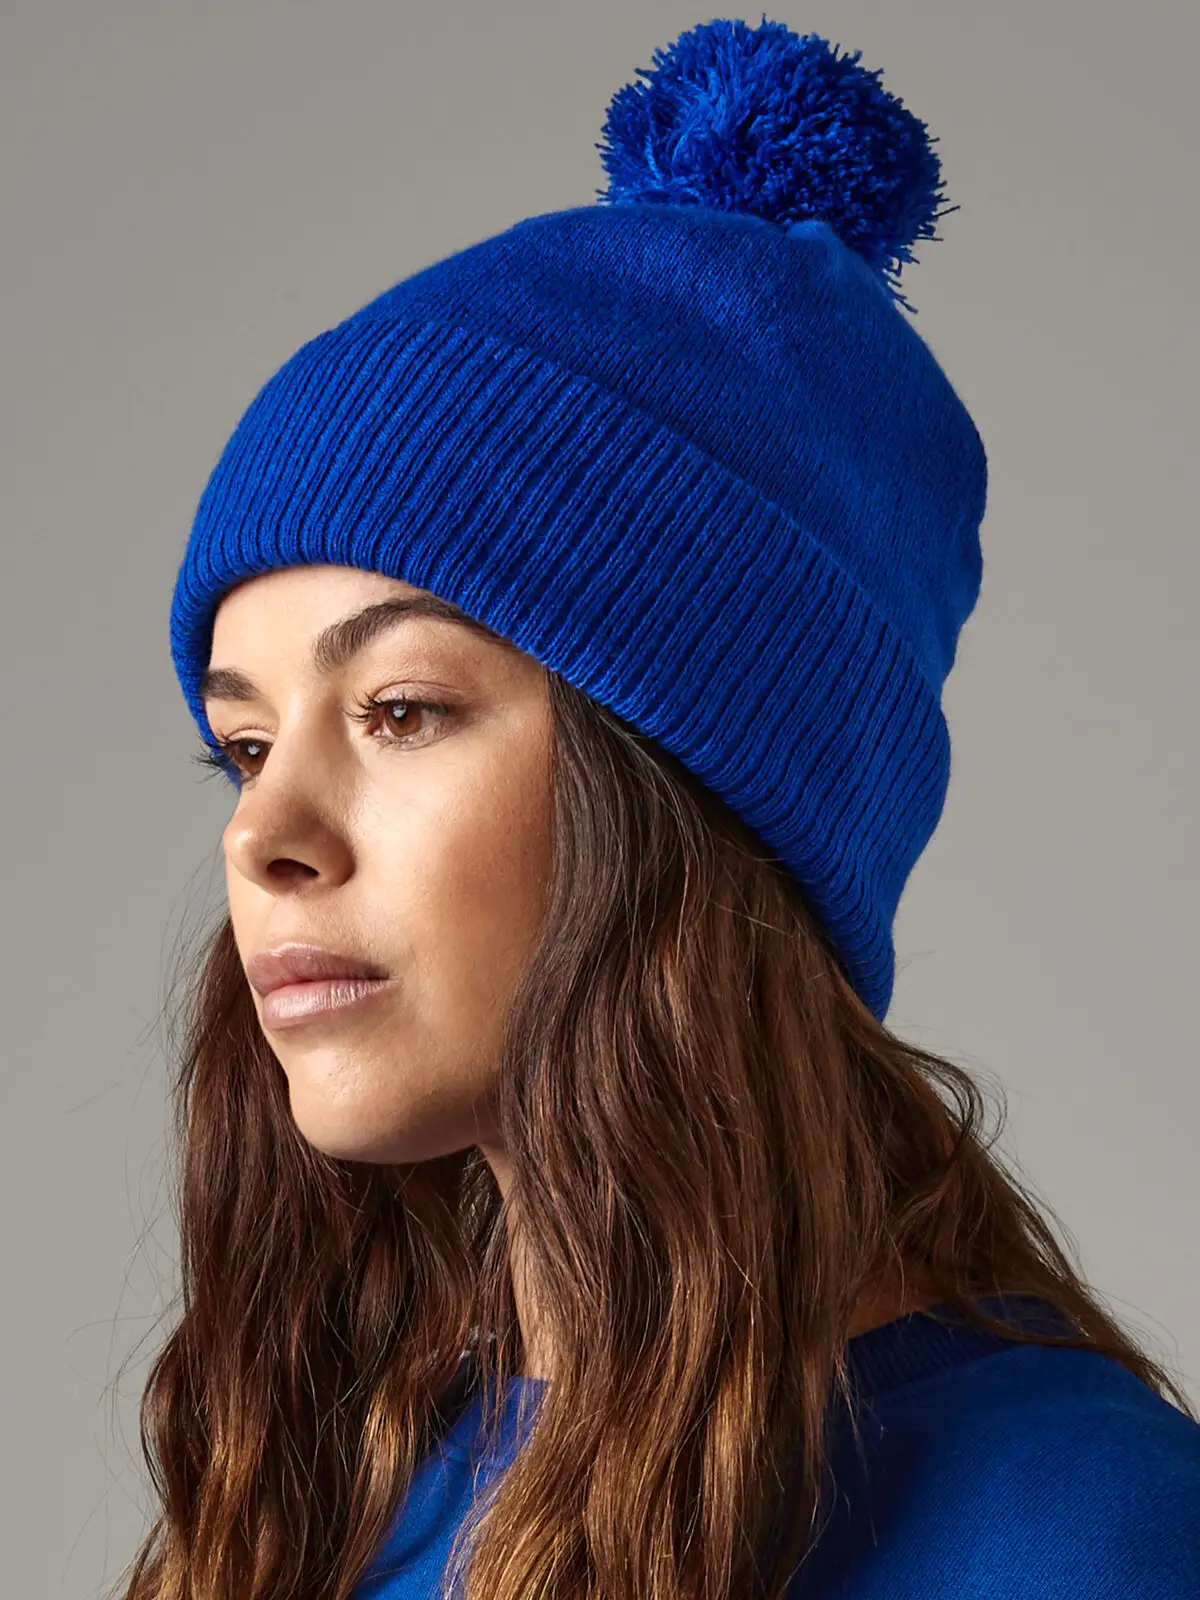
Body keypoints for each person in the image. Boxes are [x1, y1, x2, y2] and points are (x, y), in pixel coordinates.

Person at [114, 18, 1200, 1600]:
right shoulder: (313, 1495)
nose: (261, 834)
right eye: (245, 743)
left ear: (695, 790)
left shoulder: (1086, 1536)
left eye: (401, 711)